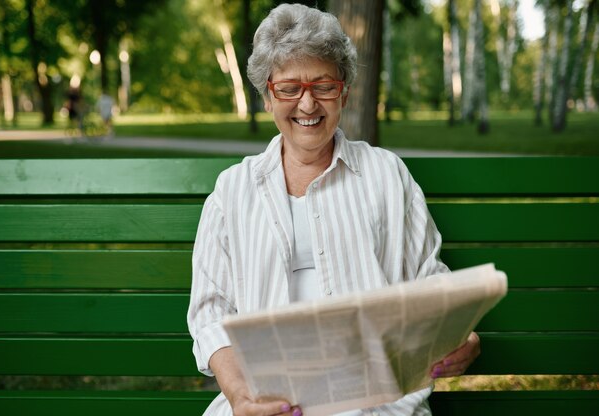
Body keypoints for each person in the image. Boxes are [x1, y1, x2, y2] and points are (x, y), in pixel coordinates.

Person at [188, 4, 480, 416]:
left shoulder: (385, 174)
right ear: (268, 95)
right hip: (264, 402)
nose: (308, 105)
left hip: (376, 402)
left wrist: (459, 334)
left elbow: (428, 286)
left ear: (343, 92)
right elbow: (210, 314)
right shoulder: (232, 190)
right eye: (290, 88)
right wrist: (240, 397)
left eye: (323, 86)